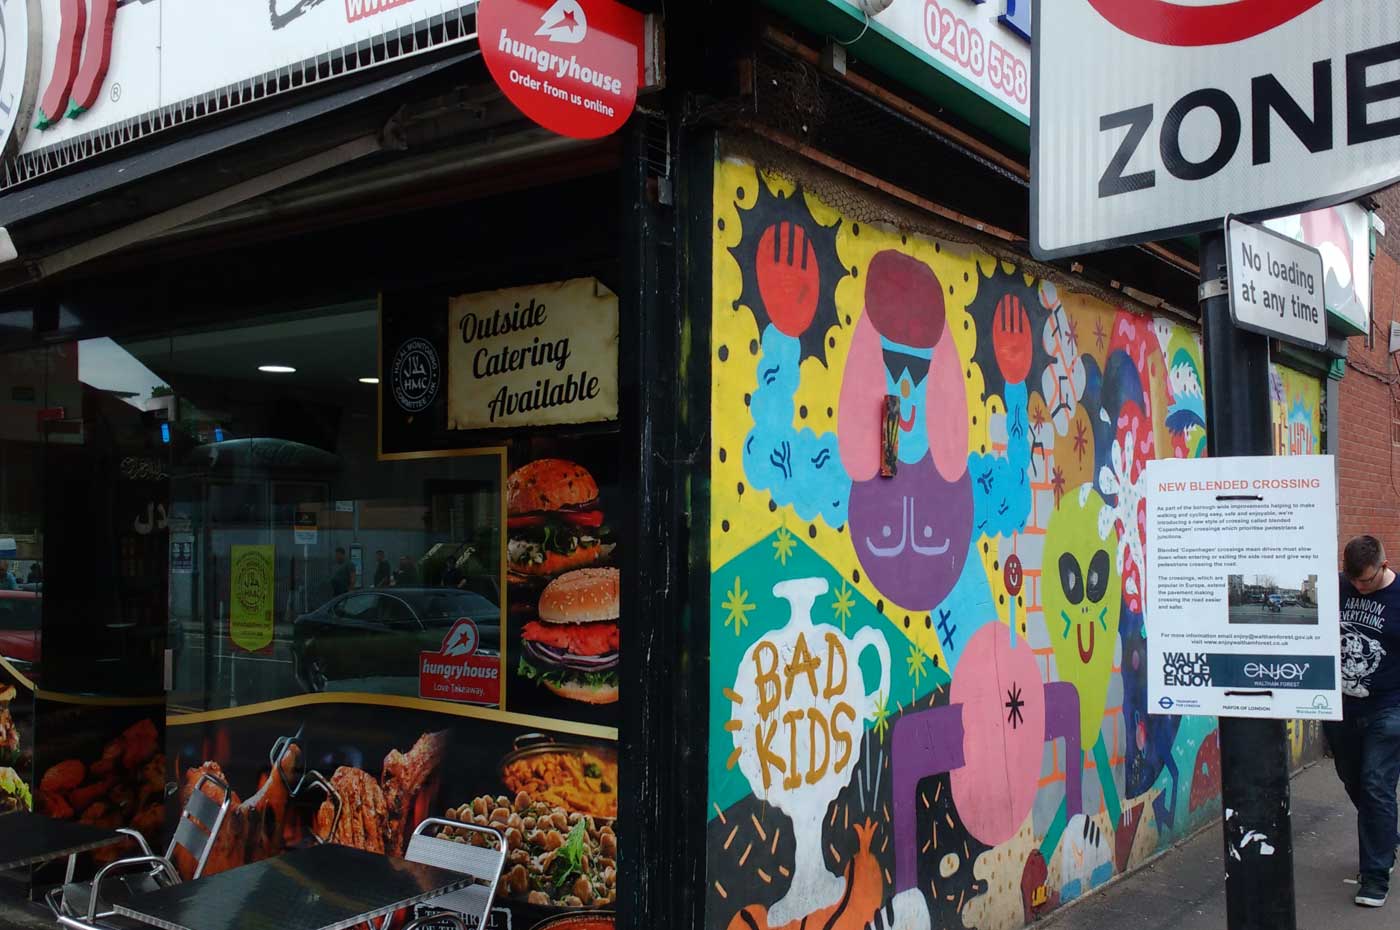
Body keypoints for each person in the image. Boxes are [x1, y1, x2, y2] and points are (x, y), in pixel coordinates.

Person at [1328, 535, 1400, 908]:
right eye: (1353, 579)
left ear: (1383, 567)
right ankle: (1385, 836)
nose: (1358, 587)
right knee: (1352, 778)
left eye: (1366, 581)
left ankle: (1374, 875)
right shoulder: (1338, 586)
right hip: (1341, 706)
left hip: (1388, 707)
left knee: (1375, 783)